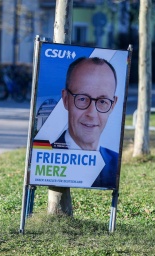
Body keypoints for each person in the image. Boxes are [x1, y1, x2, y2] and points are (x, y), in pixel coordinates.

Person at [52, 57, 119, 188]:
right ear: (66, 99)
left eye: (102, 101)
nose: (92, 113)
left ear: (113, 105)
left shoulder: (115, 162)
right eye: (82, 99)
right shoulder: (46, 155)